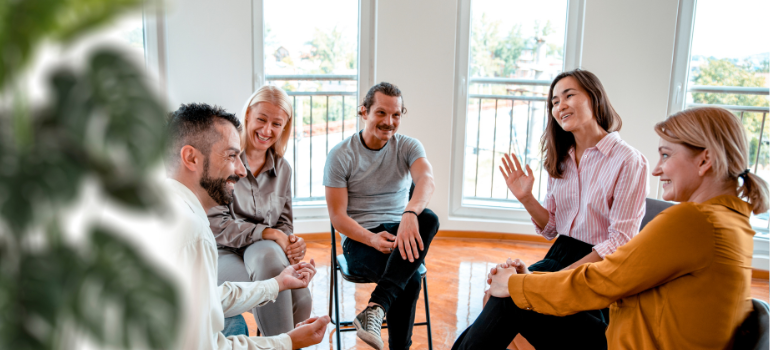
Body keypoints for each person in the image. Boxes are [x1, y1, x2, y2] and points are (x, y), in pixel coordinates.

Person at [474, 106, 767, 349]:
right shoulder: (733, 221)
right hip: (632, 330)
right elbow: (618, 279)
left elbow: (603, 281)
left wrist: (518, 285)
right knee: (521, 293)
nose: (657, 168)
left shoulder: (695, 220)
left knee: (511, 301)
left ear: (705, 159)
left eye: (666, 155)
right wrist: (531, 283)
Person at [455, 69, 649, 349]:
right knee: (496, 295)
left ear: (594, 99)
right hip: (559, 255)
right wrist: (526, 199)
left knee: (509, 298)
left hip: (597, 274)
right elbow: (552, 228)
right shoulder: (562, 159)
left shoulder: (629, 160)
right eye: (555, 102)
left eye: (569, 95)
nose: (560, 106)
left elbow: (621, 242)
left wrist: (553, 281)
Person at [165, 102, 329, 350]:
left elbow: (207, 300)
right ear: (191, 158)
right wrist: (287, 342)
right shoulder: (192, 233)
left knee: (292, 287)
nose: (242, 170)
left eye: (277, 123)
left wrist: (277, 284)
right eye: (232, 156)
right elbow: (207, 347)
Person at [324, 82, 439, 350]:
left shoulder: (408, 146)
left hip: (401, 230)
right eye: (381, 113)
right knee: (408, 279)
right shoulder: (341, 155)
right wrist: (373, 240)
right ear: (364, 112)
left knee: (429, 218)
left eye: (396, 115)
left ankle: (375, 308)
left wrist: (410, 212)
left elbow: (427, 179)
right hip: (360, 239)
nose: (389, 122)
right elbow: (338, 217)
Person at [207, 86, 311, 336]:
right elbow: (217, 225)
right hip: (224, 253)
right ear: (247, 117)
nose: (267, 131)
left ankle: (276, 339)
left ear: (284, 128)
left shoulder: (283, 169)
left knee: (303, 300)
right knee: (270, 266)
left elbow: (284, 223)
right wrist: (270, 234)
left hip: (267, 254)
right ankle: (281, 343)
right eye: (261, 120)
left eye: (277, 124)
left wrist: (291, 242)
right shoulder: (223, 159)